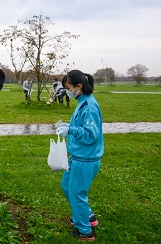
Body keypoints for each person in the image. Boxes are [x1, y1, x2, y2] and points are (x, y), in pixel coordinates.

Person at [55, 70, 103, 241]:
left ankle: (84, 231)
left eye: (67, 87)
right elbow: (82, 125)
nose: (66, 91)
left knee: (76, 193)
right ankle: (87, 216)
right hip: (78, 156)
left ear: (79, 87)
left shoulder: (89, 105)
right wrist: (70, 125)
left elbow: (92, 135)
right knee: (67, 186)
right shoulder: (82, 102)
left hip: (85, 159)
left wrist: (71, 130)